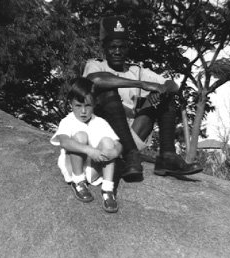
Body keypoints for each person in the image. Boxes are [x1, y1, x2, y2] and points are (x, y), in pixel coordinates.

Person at [83, 16, 203, 183]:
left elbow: (172, 85)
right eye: (113, 47)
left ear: (127, 48)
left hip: (131, 137)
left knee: (165, 96)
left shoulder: (136, 69)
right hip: (104, 138)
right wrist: (142, 84)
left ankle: (167, 156)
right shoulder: (95, 65)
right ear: (104, 48)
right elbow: (95, 80)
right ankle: (131, 155)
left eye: (122, 47)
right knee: (107, 91)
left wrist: (161, 90)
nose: (118, 51)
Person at [50, 77, 123, 213]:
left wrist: (114, 152)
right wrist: (89, 150)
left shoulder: (100, 122)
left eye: (88, 106)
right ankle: (78, 181)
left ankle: (107, 189)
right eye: (78, 106)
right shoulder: (67, 121)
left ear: (94, 104)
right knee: (80, 136)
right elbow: (64, 142)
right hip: (73, 167)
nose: (83, 111)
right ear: (71, 104)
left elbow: (117, 144)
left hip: (93, 169)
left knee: (108, 141)